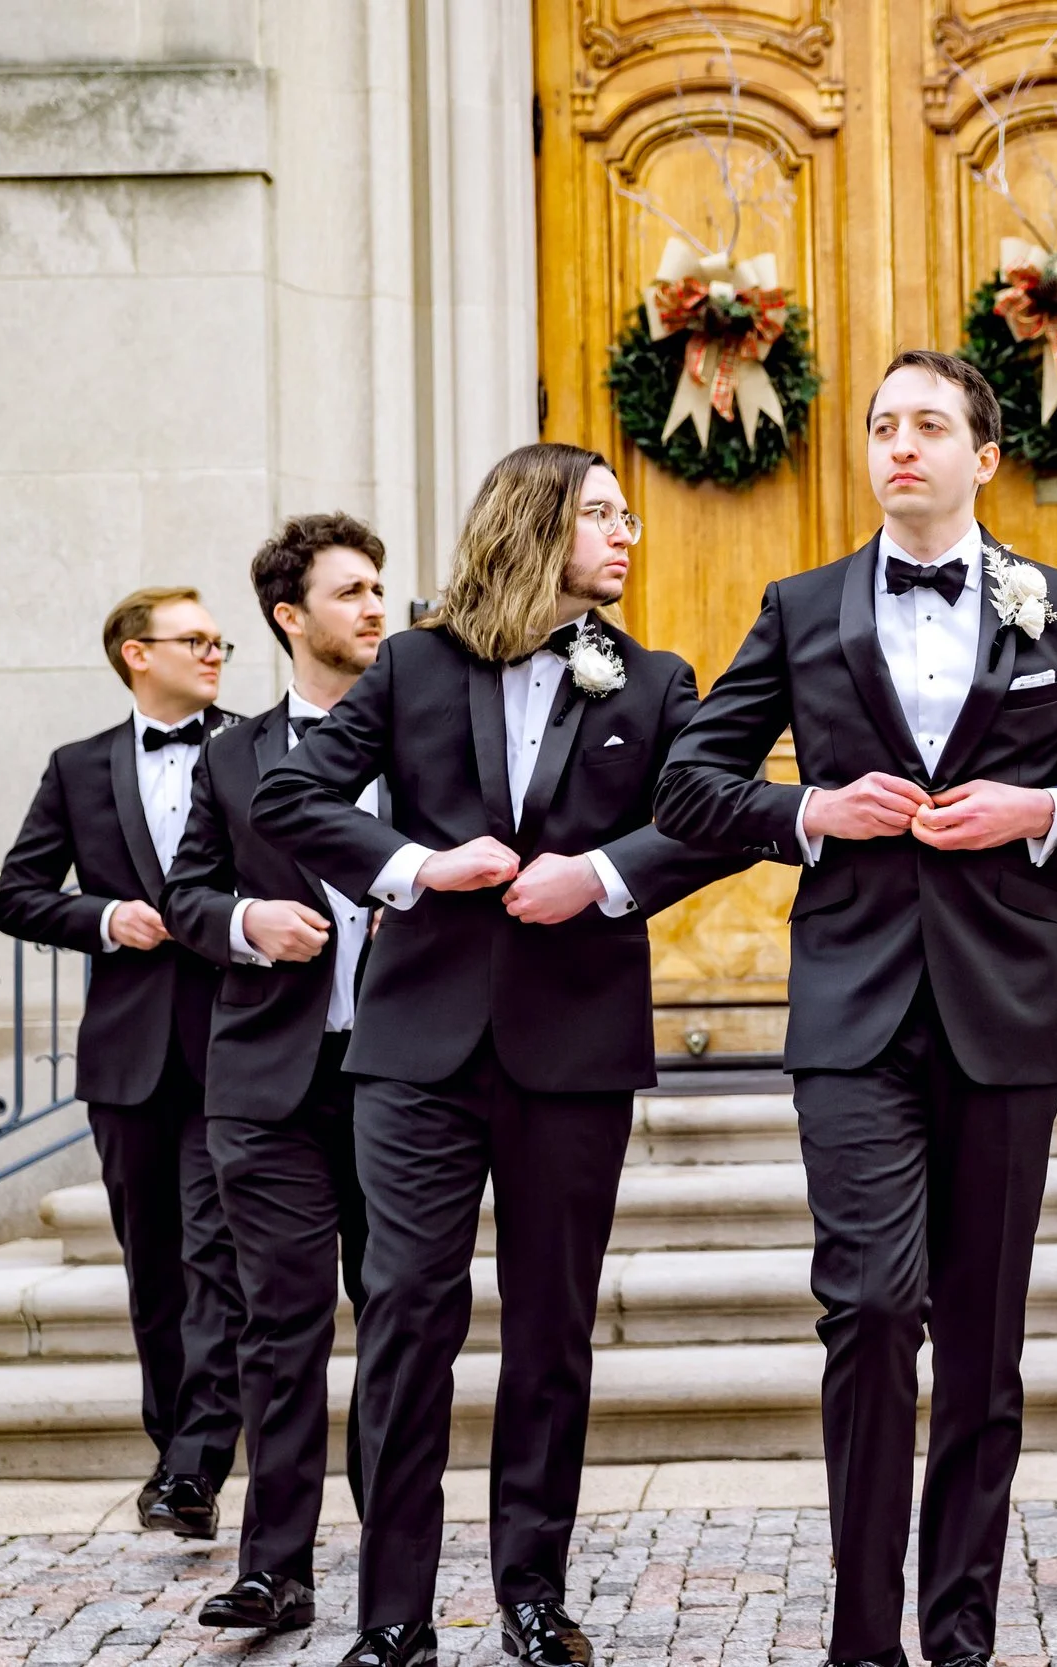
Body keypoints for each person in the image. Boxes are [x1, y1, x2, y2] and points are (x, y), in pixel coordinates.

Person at [654, 351, 1057, 1667]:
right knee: (869, 1304)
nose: (901, 444)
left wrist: (1048, 811)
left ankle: (957, 1632)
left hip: (1005, 1010)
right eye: (884, 425)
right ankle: (863, 1639)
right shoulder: (799, 607)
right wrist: (806, 811)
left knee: (982, 1338)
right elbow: (687, 782)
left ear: (984, 457)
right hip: (849, 1011)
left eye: (929, 425)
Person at [253, 444, 747, 1667]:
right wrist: (416, 866)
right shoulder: (414, 663)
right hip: (415, 1050)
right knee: (408, 1313)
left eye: (628, 515)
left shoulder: (656, 679)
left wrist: (604, 876)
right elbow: (289, 796)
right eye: (600, 514)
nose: (626, 533)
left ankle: (534, 1590)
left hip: (573, 1053)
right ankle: (393, 1615)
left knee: (551, 1328)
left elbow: (713, 815)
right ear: (533, 525)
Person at [162, 514, 393, 1630]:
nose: (375, 607)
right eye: (350, 591)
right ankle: (276, 1567)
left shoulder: (428, 732)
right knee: (281, 1325)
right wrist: (248, 920)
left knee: (397, 1323)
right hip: (266, 1084)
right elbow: (185, 893)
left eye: (379, 588)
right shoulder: (232, 752)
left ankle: (397, 1565)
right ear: (289, 616)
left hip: (407, 1079)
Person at [0, 587, 245, 1539]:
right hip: (128, 1054)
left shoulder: (259, 745)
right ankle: (173, 1447)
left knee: (217, 1255)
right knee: (156, 1269)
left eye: (220, 639)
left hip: (239, 1038)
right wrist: (102, 917)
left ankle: (195, 1468)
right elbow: (17, 895)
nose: (216, 652)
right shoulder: (77, 767)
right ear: (138, 655)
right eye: (195, 640)